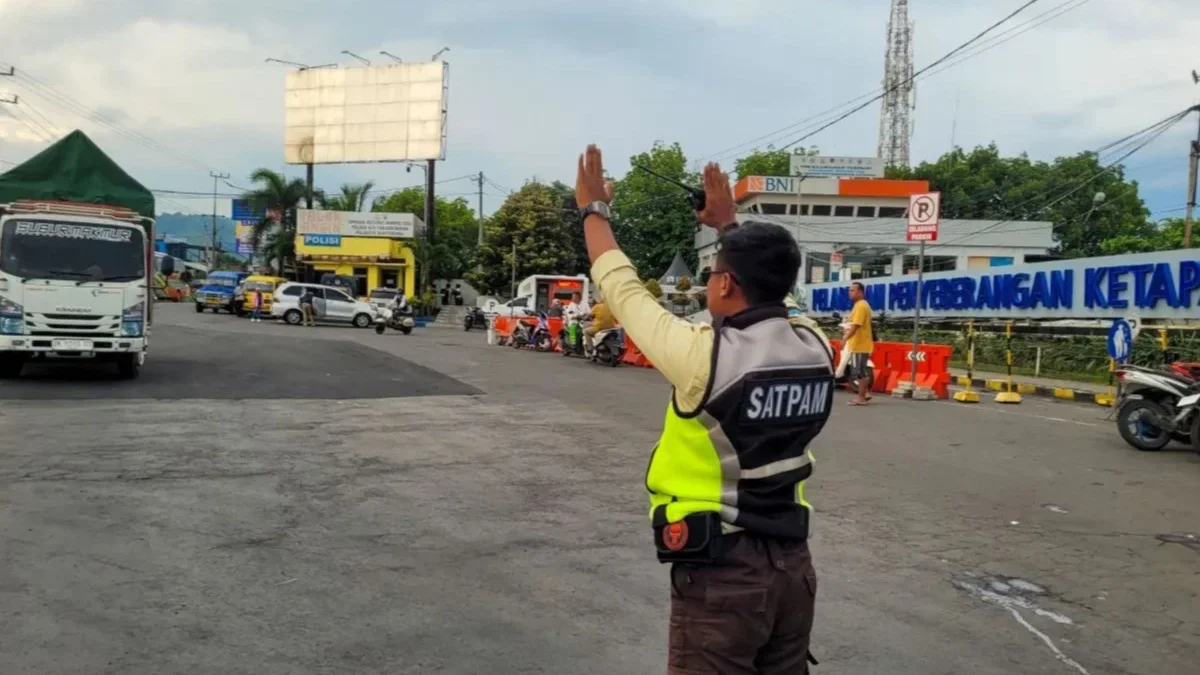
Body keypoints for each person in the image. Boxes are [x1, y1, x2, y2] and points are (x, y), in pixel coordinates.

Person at [576, 145, 833, 675]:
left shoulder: (705, 357)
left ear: (723, 284)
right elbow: (777, 300)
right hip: (793, 570)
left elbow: (621, 288)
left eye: (716, 270)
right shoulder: (816, 347)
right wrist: (730, 228)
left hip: (725, 578)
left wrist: (592, 210)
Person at [844, 281, 874, 406]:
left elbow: (856, 325)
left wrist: (844, 339)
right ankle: (865, 394)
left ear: (860, 292)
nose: (850, 293)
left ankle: (861, 398)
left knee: (859, 372)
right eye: (849, 290)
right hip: (860, 344)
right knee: (859, 371)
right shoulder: (860, 305)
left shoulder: (861, 305)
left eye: (852, 290)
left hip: (859, 345)